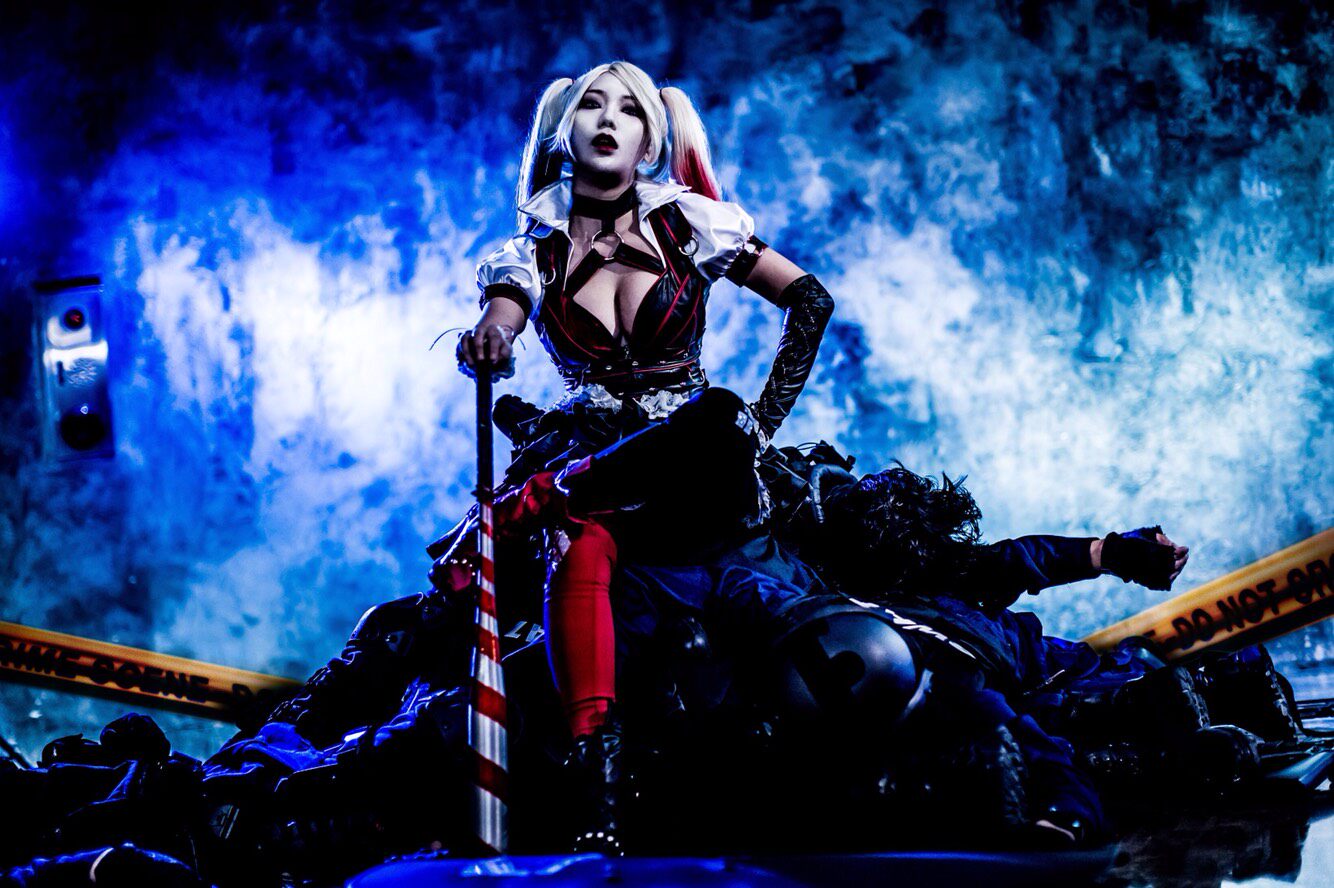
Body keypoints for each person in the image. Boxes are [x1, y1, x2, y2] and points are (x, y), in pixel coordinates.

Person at [454, 60, 834, 851]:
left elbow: (810, 299)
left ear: (650, 140)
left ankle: (550, 496)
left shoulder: (690, 226)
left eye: (627, 110)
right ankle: (597, 771)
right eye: (590, 105)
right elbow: (506, 309)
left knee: (716, 417)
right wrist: (491, 332)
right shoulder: (533, 253)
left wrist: (763, 424)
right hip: (595, 457)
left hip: (697, 460)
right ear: (562, 132)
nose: (606, 119)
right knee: (581, 541)